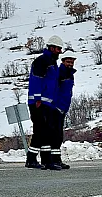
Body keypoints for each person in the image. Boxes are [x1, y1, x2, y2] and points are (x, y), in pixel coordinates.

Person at [26, 35, 63, 169]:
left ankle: (47, 161)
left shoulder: (53, 64)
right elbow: (36, 80)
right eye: (58, 49)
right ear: (52, 48)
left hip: (48, 104)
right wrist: (37, 99)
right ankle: (31, 159)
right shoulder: (42, 61)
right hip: (38, 103)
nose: (59, 51)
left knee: (47, 131)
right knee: (40, 131)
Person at [49, 50, 77, 171]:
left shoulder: (69, 74)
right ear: (63, 61)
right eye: (68, 61)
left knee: (59, 135)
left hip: (63, 108)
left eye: (72, 62)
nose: (70, 64)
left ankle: (57, 159)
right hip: (56, 108)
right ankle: (52, 160)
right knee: (54, 135)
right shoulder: (59, 73)